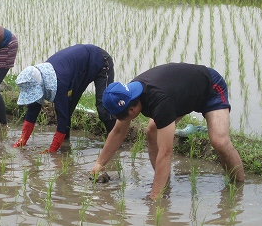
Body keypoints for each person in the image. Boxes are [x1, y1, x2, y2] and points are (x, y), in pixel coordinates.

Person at [91, 62, 245, 200]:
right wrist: (99, 163)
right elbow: (118, 132)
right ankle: (164, 183)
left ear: (131, 110)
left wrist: (154, 198)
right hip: (181, 95)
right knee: (152, 131)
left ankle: (239, 187)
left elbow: (166, 152)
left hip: (210, 87)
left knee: (219, 141)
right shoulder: (128, 94)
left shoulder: (159, 101)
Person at [13, 44, 116, 153]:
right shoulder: (41, 79)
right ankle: (65, 144)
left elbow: (63, 116)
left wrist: (52, 150)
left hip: (100, 61)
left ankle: (116, 144)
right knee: (68, 107)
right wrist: (23, 140)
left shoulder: (58, 83)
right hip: (78, 69)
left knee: (104, 108)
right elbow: (33, 108)